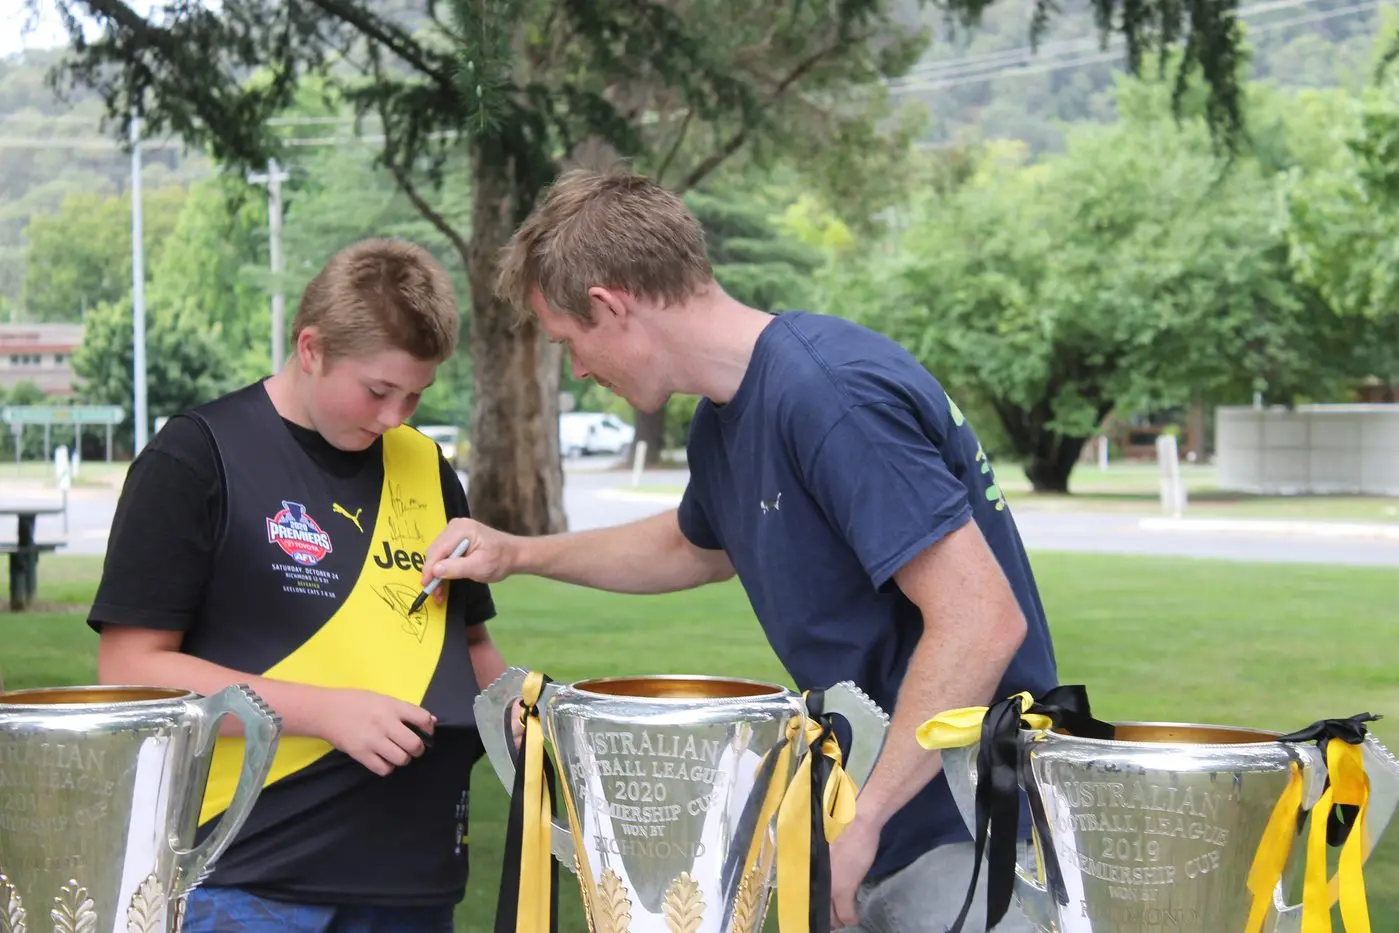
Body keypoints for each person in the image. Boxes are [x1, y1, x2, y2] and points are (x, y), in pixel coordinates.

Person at [420, 169, 1056, 933]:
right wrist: (517, 553)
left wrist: (863, 818)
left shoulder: (828, 393)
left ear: (609, 305)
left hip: (965, 835)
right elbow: (693, 547)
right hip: (873, 824)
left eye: (570, 343)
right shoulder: (727, 419)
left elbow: (981, 618)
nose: (580, 369)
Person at [88, 238, 506, 933]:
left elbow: (469, 644)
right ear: (309, 347)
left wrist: (533, 725)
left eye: (416, 394)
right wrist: (323, 711)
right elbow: (129, 674)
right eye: (377, 389)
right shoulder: (196, 456)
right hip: (250, 876)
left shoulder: (427, 467)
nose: (395, 416)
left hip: (415, 875)